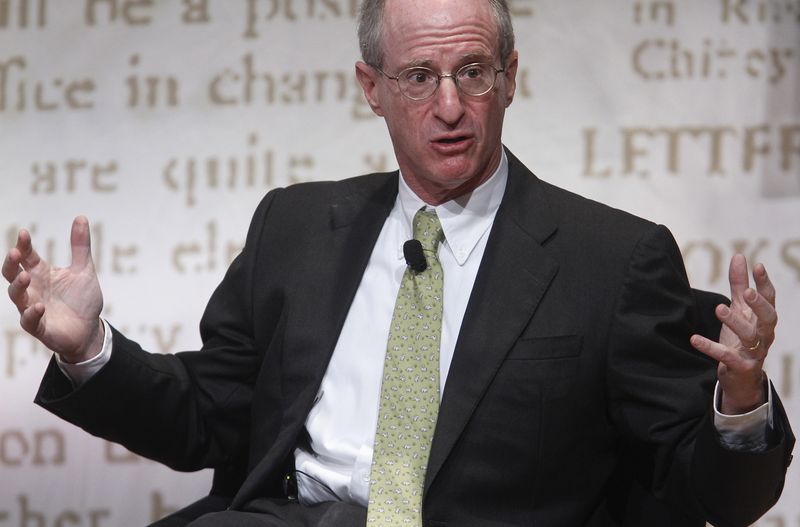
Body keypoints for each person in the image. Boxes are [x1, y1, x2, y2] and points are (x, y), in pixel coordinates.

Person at [2, 0, 794, 525]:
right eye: (418, 78)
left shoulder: (612, 259)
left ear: (510, 79)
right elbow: (207, 418)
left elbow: (721, 496)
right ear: (371, 87)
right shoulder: (298, 225)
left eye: (472, 73)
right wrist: (90, 350)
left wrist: (741, 395)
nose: (449, 107)